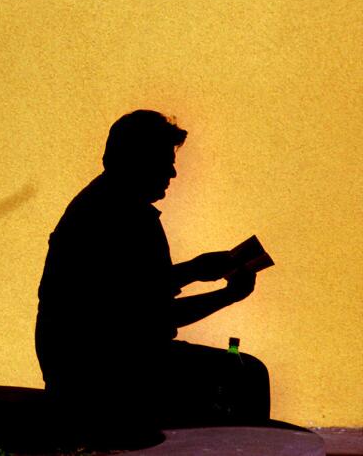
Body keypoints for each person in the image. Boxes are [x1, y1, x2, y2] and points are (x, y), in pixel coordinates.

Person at [35, 110, 270, 448]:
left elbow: (135, 292)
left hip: (86, 363)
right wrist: (226, 296)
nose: (173, 172)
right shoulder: (125, 218)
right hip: (110, 371)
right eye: (164, 160)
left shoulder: (101, 206)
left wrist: (194, 269)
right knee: (246, 376)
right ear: (136, 160)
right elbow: (151, 316)